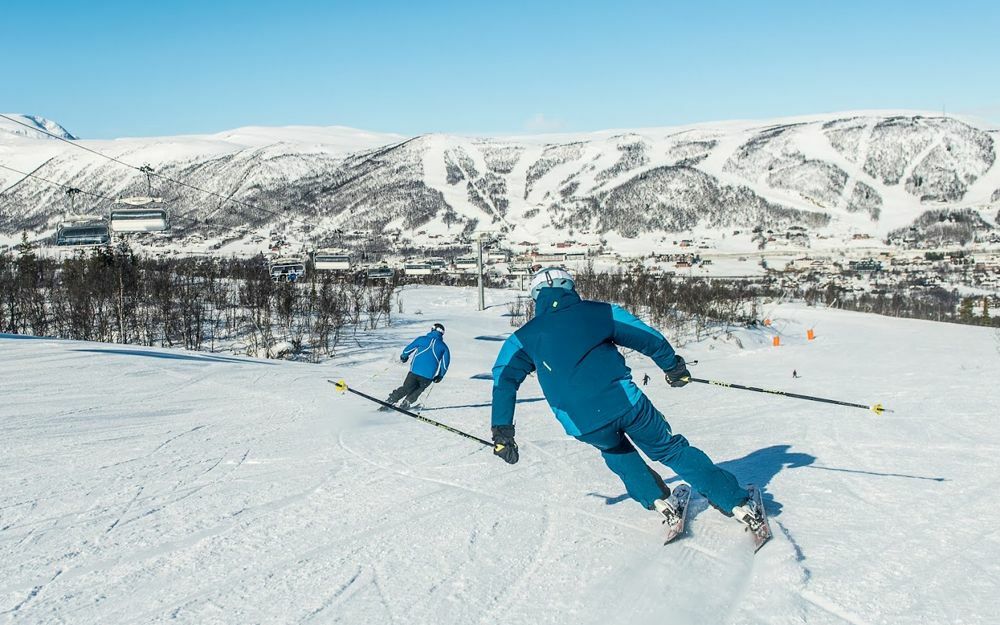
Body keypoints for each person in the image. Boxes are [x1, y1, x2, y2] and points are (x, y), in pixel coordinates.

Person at [490, 267, 759, 527]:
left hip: (581, 422)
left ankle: (659, 502)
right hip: (626, 404)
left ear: (536, 297)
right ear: (571, 288)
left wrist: (502, 431)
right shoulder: (599, 312)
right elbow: (646, 337)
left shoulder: (521, 338)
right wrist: (673, 367)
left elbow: (504, 380)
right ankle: (736, 502)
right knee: (669, 449)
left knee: (617, 453)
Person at [384, 323, 450, 410]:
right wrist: (440, 375)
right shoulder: (444, 347)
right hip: (428, 376)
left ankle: (390, 400)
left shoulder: (422, 339)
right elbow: (445, 364)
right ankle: (407, 402)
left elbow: (408, 350)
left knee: (406, 388)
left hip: (415, 371)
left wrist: (404, 357)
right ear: (442, 333)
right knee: (419, 390)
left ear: (432, 329)